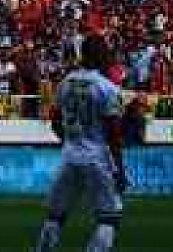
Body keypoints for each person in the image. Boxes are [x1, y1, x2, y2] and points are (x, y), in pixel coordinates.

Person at [33, 34, 127, 252]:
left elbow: (55, 120)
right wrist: (120, 168)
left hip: (69, 156)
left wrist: (70, 139)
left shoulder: (65, 82)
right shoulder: (107, 88)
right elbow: (113, 133)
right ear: (99, 55)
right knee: (109, 218)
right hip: (97, 158)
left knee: (56, 215)